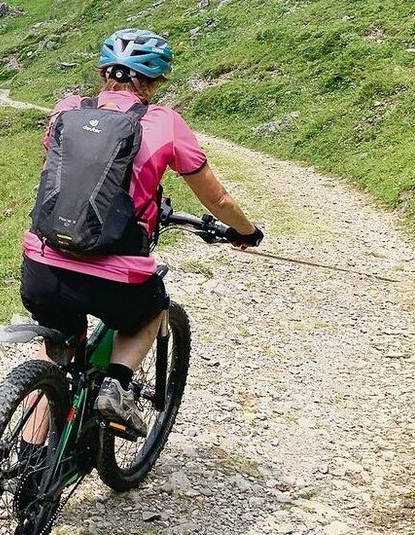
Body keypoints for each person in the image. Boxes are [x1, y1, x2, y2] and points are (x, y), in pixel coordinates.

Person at [21, 28, 263, 437]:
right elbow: (217, 201)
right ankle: (117, 384)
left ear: (104, 73)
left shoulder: (66, 108)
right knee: (150, 313)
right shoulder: (164, 123)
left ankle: (26, 467)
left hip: (43, 263)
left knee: (55, 356)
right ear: (153, 81)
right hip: (116, 274)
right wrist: (247, 232)